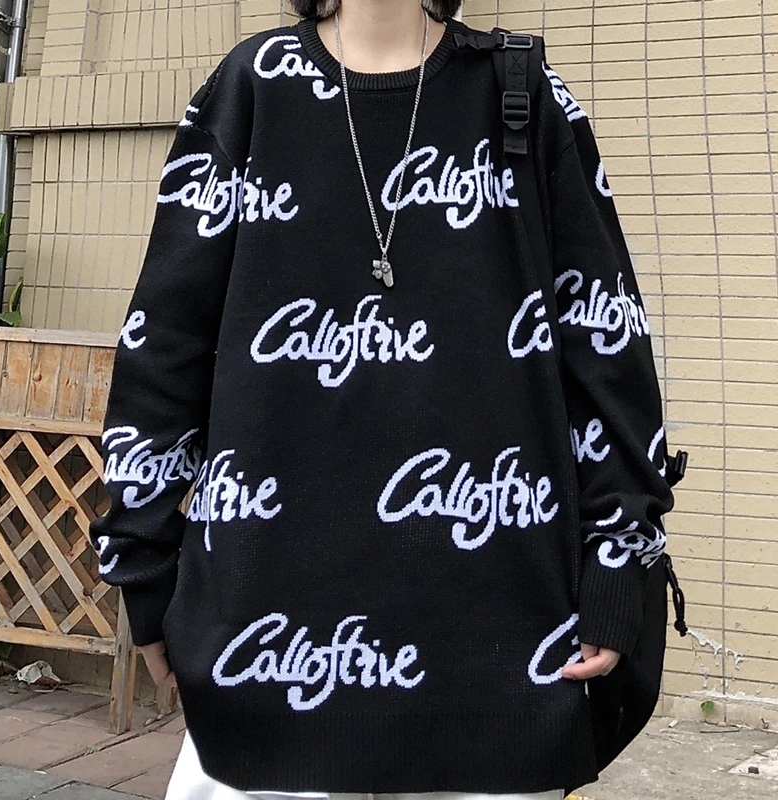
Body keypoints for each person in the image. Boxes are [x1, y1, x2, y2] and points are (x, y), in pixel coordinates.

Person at [90, 1, 675, 799]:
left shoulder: (522, 92)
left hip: (497, 649)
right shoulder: (254, 88)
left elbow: (606, 344)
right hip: (267, 643)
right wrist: (145, 567)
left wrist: (616, 565)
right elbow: (165, 344)